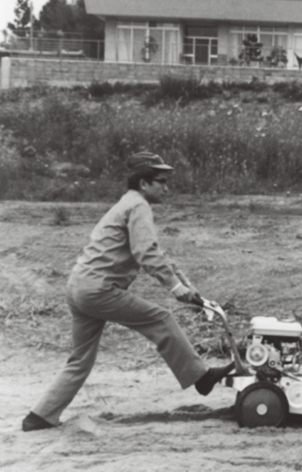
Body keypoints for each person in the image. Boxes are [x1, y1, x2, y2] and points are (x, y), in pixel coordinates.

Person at [22, 152, 234, 432]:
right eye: (161, 181)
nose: (166, 187)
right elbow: (145, 252)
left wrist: (185, 283)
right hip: (98, 290)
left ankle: (39, 417)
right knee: (161, 319)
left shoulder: (127, 204)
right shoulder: (139, 207)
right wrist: (174, 287)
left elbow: (157, 252)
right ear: (144, 183)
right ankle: (201, 378)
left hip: (78, 288)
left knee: (80, 360)